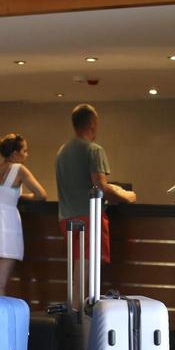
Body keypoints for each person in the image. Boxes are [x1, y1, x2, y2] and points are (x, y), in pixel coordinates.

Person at [54, 104, 136, 263]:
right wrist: (127, 197)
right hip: (88, 217)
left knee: (78, 263)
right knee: (87, 266)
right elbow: (100, 188)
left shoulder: (61, 152)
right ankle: (83, 290)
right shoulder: (94, 150)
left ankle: (78, 289)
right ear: (92, 123)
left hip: (65, 218)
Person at [0, 134, 48, 294]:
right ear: (15, 153)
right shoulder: (19, 170)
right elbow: (41, 195)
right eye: (24, 151)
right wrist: (18, 195)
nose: (27, 154)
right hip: (6, 224)